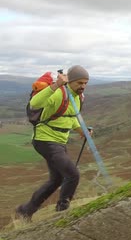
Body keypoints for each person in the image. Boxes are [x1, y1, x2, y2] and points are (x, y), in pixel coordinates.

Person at [16, 65, 92, 221]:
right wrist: (56, 84)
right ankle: (61, 212)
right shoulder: (58, 93)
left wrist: (81, 131)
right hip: (45, 140)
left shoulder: (77, 98)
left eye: (85, 83)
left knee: (57, 179)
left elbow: (69, 118)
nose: (83, 86)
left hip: (59, 142)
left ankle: (25, 210)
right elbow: (35, 104)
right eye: (79, 83)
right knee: (72, 175)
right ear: (70, 81)